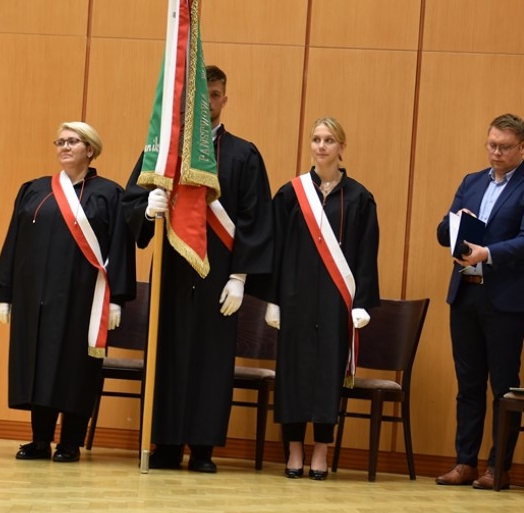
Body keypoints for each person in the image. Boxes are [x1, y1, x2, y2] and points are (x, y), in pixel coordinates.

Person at [122, 65, 273, 473]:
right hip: (172, 272)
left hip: (219, 277)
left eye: (215, 95)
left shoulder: (244, 154)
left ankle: (203, 447)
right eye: (201, 96)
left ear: (225, 99)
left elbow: (256, 220)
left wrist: (240, 278)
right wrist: (146, 208)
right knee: (167, 355)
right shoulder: (162, 152)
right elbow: (130, 202)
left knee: (211, 359)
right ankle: (166, 444)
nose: (208, 103)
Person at [0, 122, 136, 463]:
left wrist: (116, 299)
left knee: (77, 368)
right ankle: (40, 440)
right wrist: (4, 292)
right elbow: (14, 242)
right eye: (60, 142)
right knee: (38, 365)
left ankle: (70, 441)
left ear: (91, 149)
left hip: (83, 299)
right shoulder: (34, 189)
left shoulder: (109, 194)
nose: (65, 147)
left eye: (73, 141)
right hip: (35, 299)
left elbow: (120, 248)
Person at [434, 114, 524, 490]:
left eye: (504, 147)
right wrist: (456, 223)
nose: (496, 152)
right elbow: (443, 232)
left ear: (523, 147)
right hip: (465, 292)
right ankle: (465, 462)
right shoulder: (471, 181)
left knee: (503, 385)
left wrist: (486, 253)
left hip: (506, 298)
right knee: (468, 383)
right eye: (491, 145)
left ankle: (498, 467)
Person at [265, 117, 380, 480]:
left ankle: (321, 449)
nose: (321, 146)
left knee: (329, 373)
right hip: (295, 298)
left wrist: (361, 302)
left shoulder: (360, 198)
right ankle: (294, 448)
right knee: (293, 373)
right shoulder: (290, 194)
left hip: (336, 303)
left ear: (342, 147)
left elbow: (366, 255)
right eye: (316, 139)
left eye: (329, 140)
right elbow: (275, 250)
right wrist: (273, 299)